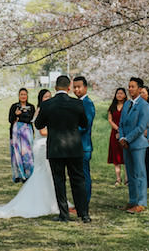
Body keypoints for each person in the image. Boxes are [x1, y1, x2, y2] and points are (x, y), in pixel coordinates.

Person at [0, 90, 58, 221]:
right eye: (46, 97)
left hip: (42, 143)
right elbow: (39, 128)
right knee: (41, 171)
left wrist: (20, 117)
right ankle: (37, 197)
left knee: (47, 173)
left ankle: (50, 199)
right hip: (41, 144)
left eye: (49, 97)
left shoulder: (39, 108)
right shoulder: (40, 110)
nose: (48, 99)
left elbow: (28, 120)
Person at [34, 75, 91, 223]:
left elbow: (39, 125)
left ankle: (64, 214)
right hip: (74, 147)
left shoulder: (47, 105)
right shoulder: (77, 104)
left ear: (55, 88)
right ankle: (84, 214)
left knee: (59, 181)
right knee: (78, 180)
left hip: (56, 148)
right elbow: (84, 124)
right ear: (69, 88)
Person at [118, 77, 149, 213]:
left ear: (139, 88)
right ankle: (132, 200)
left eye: (133, 87)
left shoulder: (143, 105)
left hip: (137, 144)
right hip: (125, 144)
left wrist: (128, 139)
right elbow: (121, 123)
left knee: (140, 173)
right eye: (129, 87)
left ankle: (141, 202)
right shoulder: (126, 104)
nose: (130, 89)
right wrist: (121, 137)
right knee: (130, 174)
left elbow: (141, 126)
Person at [72, 76, 95, 203]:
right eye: (74, 87)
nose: (76, 90)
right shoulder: (77, 102)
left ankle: (84, 203)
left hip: (83, 145)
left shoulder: (88, 103)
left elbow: (85, 125)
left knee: (84, 176)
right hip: (75, 145)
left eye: (79, 87)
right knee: (77, 176)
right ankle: (79, 202)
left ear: (85, 87)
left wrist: (69, 131)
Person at [8, 88, 36, 183]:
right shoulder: (14, 106)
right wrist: (16, 115)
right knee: (16, 152)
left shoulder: (31, 107)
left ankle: (28, 173)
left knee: (27, 153)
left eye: (25, 94)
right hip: (16, 132)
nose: (23, 96)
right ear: (19, 95)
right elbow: (10, 119)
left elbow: (30, 119)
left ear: (27, 95)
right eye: (21, 94)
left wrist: (19, 117)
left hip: (27, 133)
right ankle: (18, 174)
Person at [107, 87, 127, 185]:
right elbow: (110, 120)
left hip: (126, 133)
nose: (119, 95)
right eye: (118, 93)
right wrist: (118, 129)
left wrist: (122, 131)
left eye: (121, 93)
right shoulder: (112, 107)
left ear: (125, 95)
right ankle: (118, 178)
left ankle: (127, 179)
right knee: (116, 157)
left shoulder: (127, 106)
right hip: (114, 133)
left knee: (126, 155)